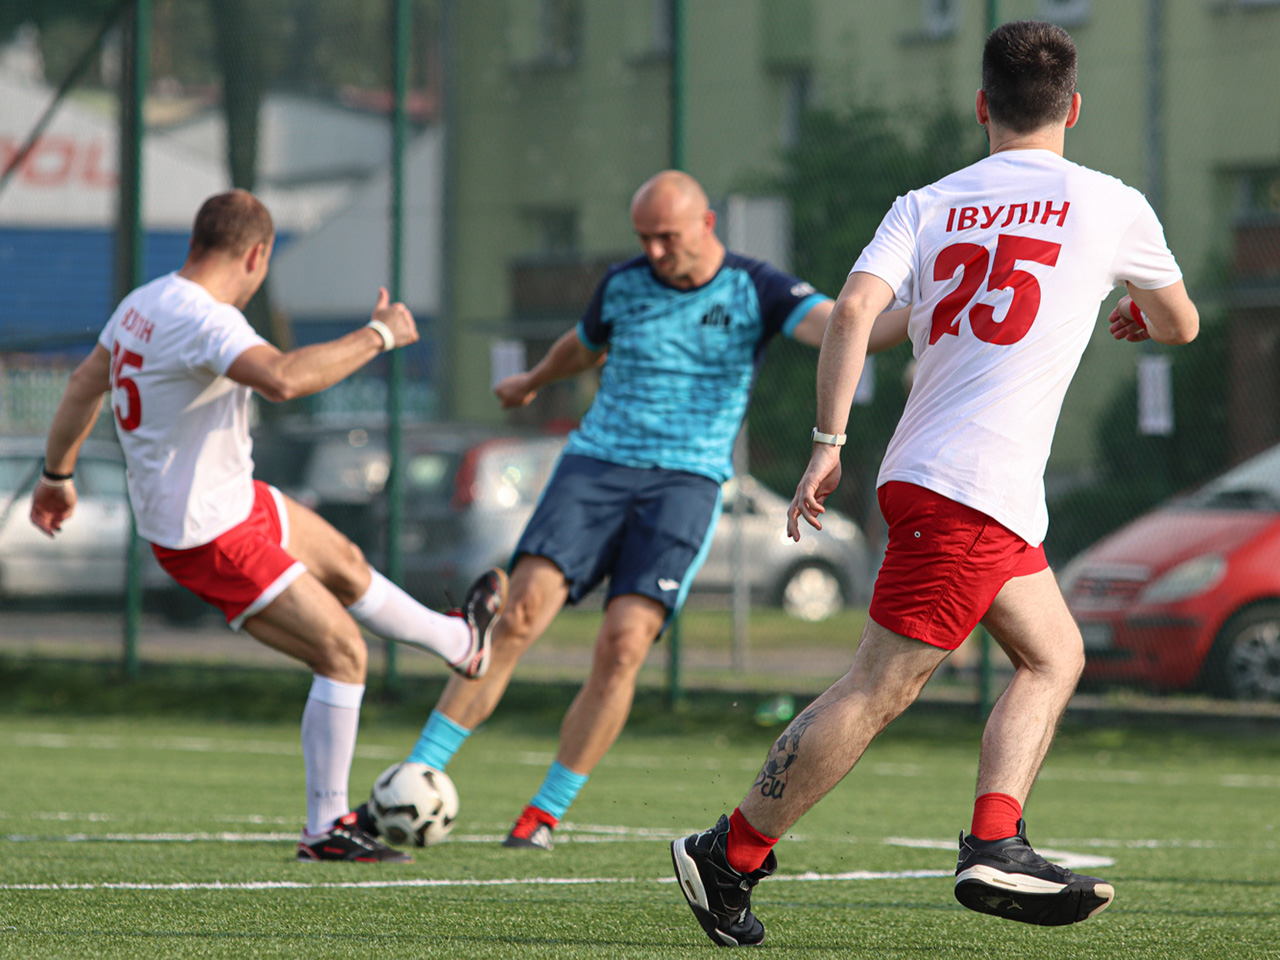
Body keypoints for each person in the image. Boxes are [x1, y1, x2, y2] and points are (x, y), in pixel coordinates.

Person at [671, 20, 1200, 947]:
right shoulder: (1112, 204)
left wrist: (827, 443)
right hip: (974, 488)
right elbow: (1181, 323)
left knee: (1054, 655)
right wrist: (1138, 316)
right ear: (1074, 108)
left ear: (983, 106)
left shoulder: (927, 203)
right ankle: (732, 852)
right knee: (878, 686)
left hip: (938, 477)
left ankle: (997, 837)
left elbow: (851, 313)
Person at [361, 170, 904, 851]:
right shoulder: (624, 283)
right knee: (517, 615)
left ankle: (544, 812)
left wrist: (924, 314)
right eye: (644, 237)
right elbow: (582, 345)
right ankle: (416, 774)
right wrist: (534, 379)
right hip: (595, 468)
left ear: (706, 224)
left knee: (622, 647)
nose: (653, 251)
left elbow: (846, 328)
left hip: (684, 486)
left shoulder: (756, 288)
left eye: (666, 237)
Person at [29, 189, 507, 864]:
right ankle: (325, 828)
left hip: (231, 500)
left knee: (345, 562)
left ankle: (461, 643)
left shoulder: (145, 301)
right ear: (258, 255)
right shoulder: (206, 320)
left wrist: (56, 475)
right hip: (208, 533)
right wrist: (380, 335)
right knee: (342, 653)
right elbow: (282, 379)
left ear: (197, 242)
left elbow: (84, 382)